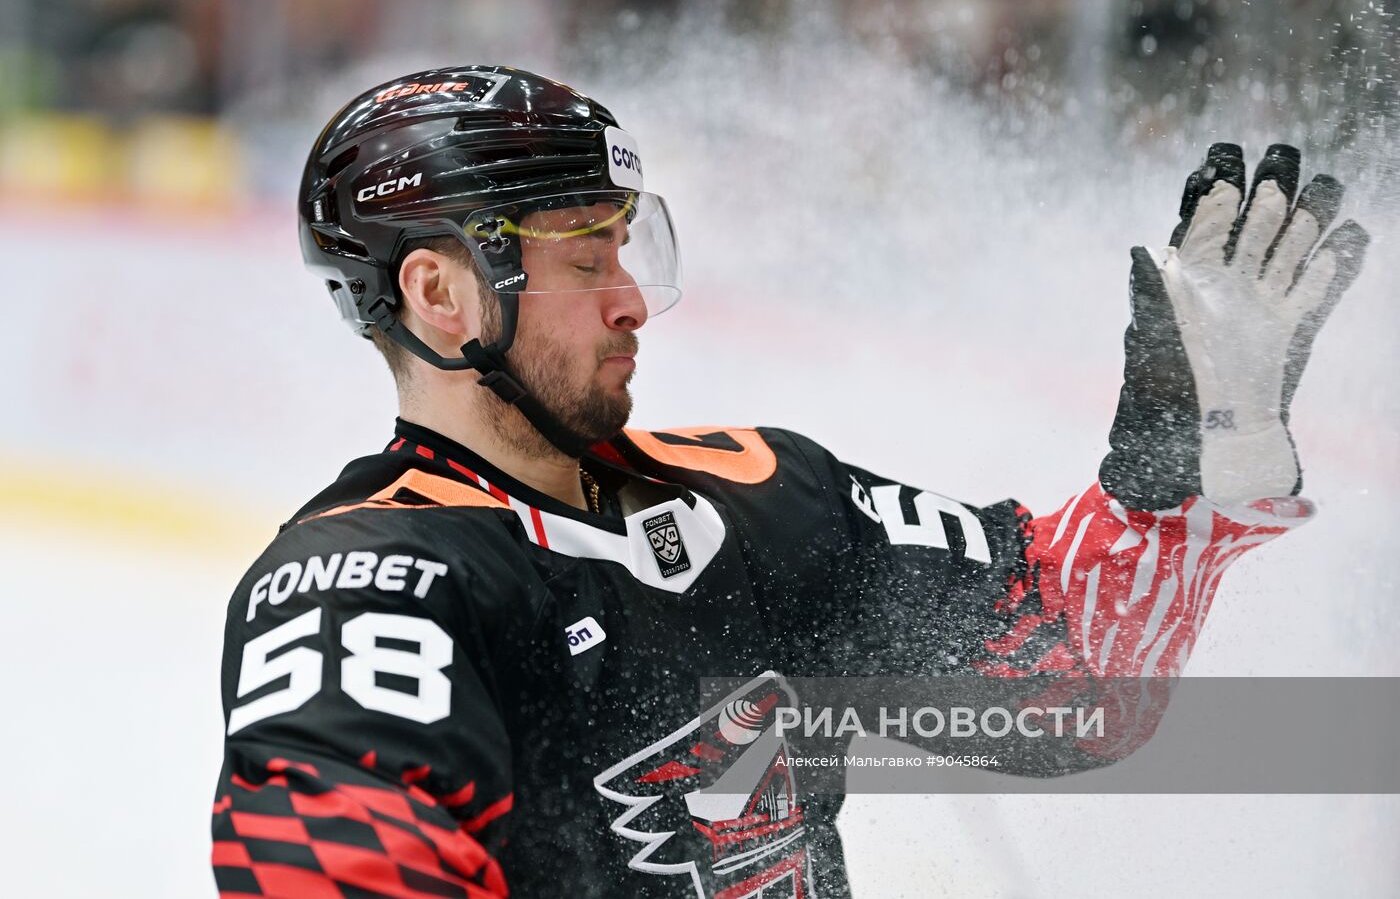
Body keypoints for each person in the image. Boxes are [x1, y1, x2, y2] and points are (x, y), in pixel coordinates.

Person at [210, 65, 1369, 898]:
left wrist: (1174, 479)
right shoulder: (363, 587)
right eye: (581, 257)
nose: (627, 298)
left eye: (629, 247)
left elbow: (1074, 694)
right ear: (439, 296)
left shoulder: (761, 495)